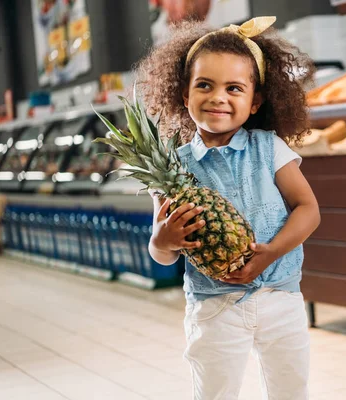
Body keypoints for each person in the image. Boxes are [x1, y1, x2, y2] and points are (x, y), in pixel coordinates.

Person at [137, 16, 320, 400]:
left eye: (233, 88)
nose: (218, 96)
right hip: (213, 304)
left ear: (254, 102)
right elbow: (163, 255)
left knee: (291, 390)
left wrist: (272, 252)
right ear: (184, 95)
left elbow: (308, 209)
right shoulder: (172, 167)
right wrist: (162, 238)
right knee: (215, 392)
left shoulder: (270, 148)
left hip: (280, 297)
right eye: (204, 85)